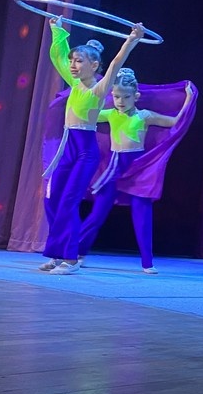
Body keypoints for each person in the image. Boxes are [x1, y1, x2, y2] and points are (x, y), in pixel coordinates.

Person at [40, 18, 144, 275]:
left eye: (79, 61)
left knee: (69, 201)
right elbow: (58, 56)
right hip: (67, 149)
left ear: (94, 65)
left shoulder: (99, 89)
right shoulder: (73, 82)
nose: (73, 65)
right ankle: (56, 253)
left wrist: (132, 39)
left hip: (85, 152)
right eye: (73, 60)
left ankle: (71, 259)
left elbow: (116, 63)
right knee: (52, 199)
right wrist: (57, 29)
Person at [76, 71, 194, 273]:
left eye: (126, 96)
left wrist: (189, 98)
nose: (121, 101)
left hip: (138, 169)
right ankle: (76, 253)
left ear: (136, 96)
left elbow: (175, 121)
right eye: (116, 96)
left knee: (142, 215)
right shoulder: (110, 114)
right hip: (115, 168)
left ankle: (147, 262)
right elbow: (85, 114)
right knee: (97, 213)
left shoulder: (144, 116)